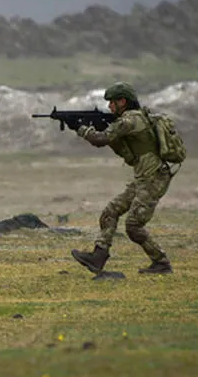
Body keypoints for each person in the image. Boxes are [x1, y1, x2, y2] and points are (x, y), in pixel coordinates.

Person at [70, 82, 175, 274]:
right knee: (110, 212)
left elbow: (101, 140)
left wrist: (81, 129)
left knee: (134, 226)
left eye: (112, 103)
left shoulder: (130, 120)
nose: (109, 107)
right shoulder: (133, 118)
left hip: (154, 178)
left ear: (123, 101)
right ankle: (98, 257)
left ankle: (161, 263)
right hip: (144, 177)